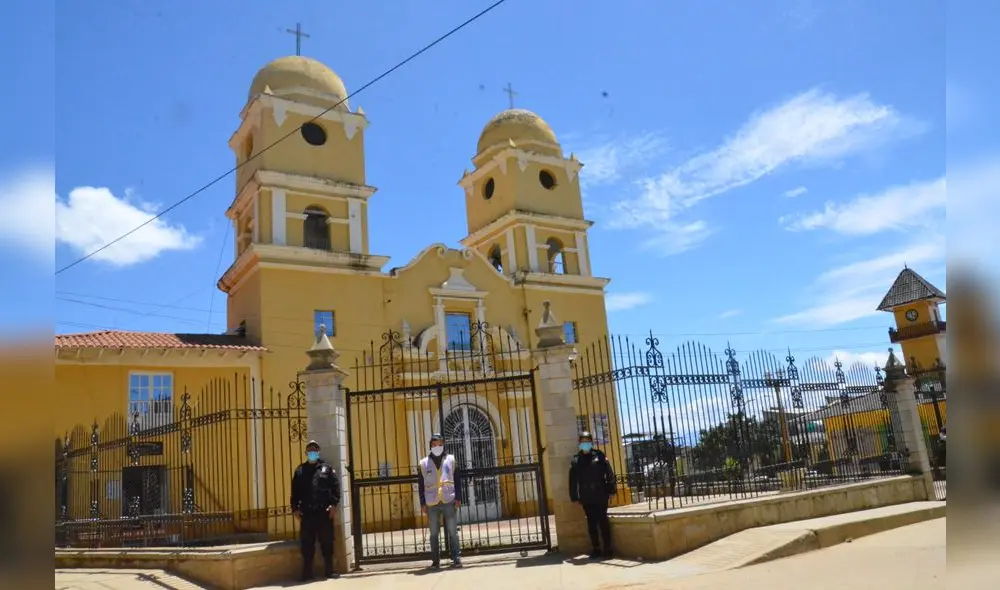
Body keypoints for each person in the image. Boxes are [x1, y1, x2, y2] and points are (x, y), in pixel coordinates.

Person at [290, 440, 340, 581]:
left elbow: (335, 488)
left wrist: (334, 505)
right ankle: (307, 574)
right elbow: (295, 492)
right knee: (307, 546)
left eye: (315, 450)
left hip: (324, 513)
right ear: (306, 453)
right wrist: (295, 509)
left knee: (327, 543)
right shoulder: (300, 471)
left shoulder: (327, 469)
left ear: (318, 452)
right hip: (307, 514)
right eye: (310, 450)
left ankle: (329, 571)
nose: (312, 452)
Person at [417, 433, 463, 569]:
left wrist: (459, 497)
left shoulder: (451, 459)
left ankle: (456, 558)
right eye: (434, 444)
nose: (437, 447)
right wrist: (422, 503)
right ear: (430, 446)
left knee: (452, 531)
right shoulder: (423, 463)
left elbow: (458, 479)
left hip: (449, 499)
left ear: (443, 445)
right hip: (432, 503)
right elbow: (420, 485)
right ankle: (436, 562)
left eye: (440, 444)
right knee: (434, 533)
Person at [569, 431, 616, 559]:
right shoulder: (576, 460)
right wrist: (574, 496)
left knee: (603, 521)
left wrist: (611, 490)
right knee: (591, 523)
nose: (585, 444)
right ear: (579, 444)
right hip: (586, 496)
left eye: (587, 441)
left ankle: (607, 548)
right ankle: (596, 548)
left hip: (600, 494)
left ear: (591, 442)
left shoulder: (599, 456)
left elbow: (609, 473)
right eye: (583, 442)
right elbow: (573, 480)